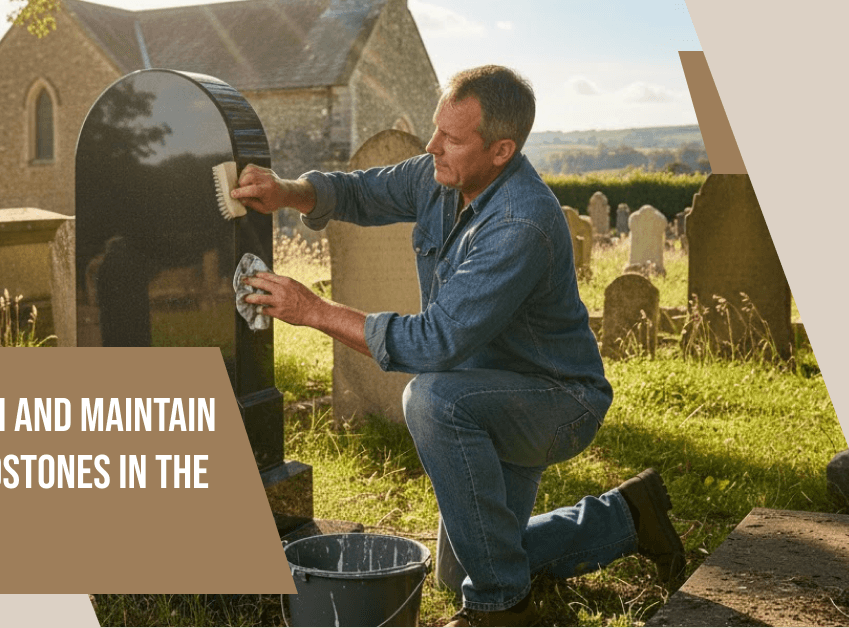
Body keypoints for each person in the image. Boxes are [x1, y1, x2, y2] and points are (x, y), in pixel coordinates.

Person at [232, 65, 684, 627]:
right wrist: (288, 192)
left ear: (501, 150)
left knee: (430, 399)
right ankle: (627, 518)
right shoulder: (440, 177)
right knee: (457, 571)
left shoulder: (521, 223)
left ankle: (503, 609)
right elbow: (361, 193)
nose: (432, 147)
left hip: (556, 401)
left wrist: (315, 311)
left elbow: (436, 341)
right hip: (485, 395)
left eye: (451, 138)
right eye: (435, 130)